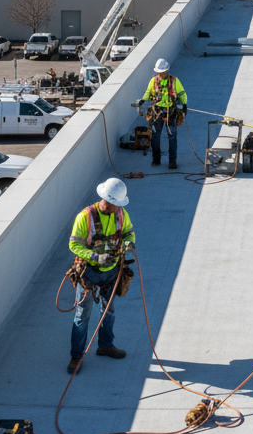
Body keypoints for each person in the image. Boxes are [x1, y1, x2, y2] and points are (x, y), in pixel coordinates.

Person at [67, 178, 135, 373]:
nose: (118, 208)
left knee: (109, 312)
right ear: (108, 200)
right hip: (88, 274)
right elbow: (74, 244)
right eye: (116, 204)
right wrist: (95, 256)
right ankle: (76, 355)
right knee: (82, 315)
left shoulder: (121, 214)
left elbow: (129, 233)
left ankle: (105, 346)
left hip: (111, 273)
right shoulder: (85, 217)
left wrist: (128, 243)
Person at [138, 58, 188, 169]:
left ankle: (172, 161)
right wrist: (143, 101)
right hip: (157, 114)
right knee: (155, 138)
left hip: (171, 114)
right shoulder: (153, 81)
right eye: (159, 72)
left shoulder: (174, 81)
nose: (161, 74)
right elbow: (148, 93)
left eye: (163, 72)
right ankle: (156, 159)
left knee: (172, 137)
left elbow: (182, 94)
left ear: (167, 70)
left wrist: (183, 105)